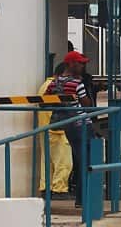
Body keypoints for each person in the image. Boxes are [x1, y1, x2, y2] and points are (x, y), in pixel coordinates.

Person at [50, 50, 95, 208]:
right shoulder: (77, 84)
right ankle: (83, 199)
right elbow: (87, 104)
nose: (83, 66)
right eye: (80, 63)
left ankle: (82, 199)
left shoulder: (54, 83)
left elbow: (45, 101)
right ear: (71, 64)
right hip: (81, 124)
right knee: (88, 161)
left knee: (80, 160)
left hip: (66, 124)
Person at [37, 63, 73, 196]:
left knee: (47, 162)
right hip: (57, 130)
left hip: (44, 128)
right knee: (64, 162)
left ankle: (45, 188)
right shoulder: (57, 88)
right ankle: (59, 190)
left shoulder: (44, 86)